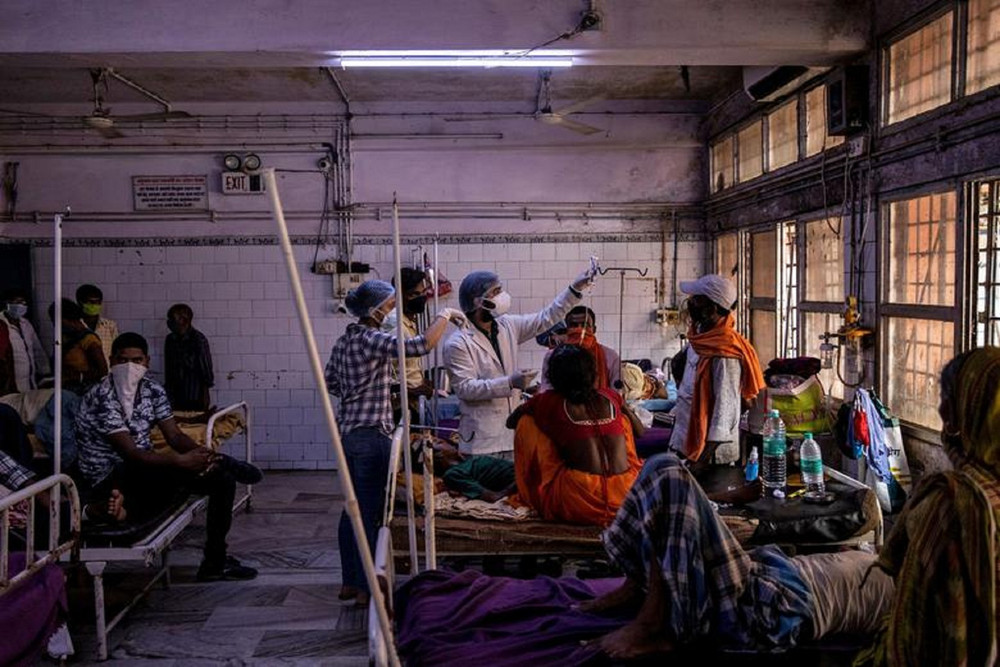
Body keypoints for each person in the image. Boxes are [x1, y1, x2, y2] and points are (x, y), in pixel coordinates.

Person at [581, 453, 895, 659]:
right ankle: (637, 585)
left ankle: (652, 624)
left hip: (768, 605)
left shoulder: (909, 595)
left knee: (670, 474)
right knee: (660, 467)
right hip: (765, 574)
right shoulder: (885, 559)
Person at [75, 332, 262, 581]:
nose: (130, 367)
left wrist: (199, 454)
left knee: (222, 481)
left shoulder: (152, 390)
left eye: (137, 360)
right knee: (195, 473)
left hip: (142, 470)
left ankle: (214, 561)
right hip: (109, 476)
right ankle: (221, 463)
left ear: (147, 362)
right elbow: (130, 454)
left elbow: (174, 435)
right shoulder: (102, 395)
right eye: (122, 360)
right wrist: (179, 461)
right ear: (111, 361)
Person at [856, 347, 1000, 667]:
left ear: (963, 413)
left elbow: (913, 626)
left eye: (947, 398)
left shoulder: (953, 504)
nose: (940, 408)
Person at [325, 279, 465, 606]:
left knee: (352, 508)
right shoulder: (372, 338)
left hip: (348, 433)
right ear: (374, 310)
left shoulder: (344, 342)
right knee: (373, 512)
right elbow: (421, 346)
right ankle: (366, 589)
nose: (392, 311)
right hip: (374, 434)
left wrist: (371, 388)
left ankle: (349, 581)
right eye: (389, 306)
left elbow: (332, 382)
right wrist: (445, 315)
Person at [443, 266, 596, 459]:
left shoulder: (507, 325)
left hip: (512, 436)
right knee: (488, 480)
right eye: (496, 292)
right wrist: (509, 383)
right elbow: (465, 389)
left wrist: (575, 289)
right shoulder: (457, 343)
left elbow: (546, 318)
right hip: (481, 441)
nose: (502, 296)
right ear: (478, 301)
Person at [506, 344, 643, 525]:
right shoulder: (610, 396)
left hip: (579, 500)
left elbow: (511, 422)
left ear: (554, 377)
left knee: (527, 422)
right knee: (623, 419)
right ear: (593, 374)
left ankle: (529, 488)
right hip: (624, 494)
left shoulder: (547, 401)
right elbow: (640, 431)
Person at [668, 274, 764, 467]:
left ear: (711, 308)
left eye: (696, 300)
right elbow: (683, 369)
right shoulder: (701, 339)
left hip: (710, 457)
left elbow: (724, 414)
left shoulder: (724, 354)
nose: (690, 303)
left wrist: (698, 466)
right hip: (684, 442)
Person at [382, 268, 435, 415]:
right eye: (414, 294)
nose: (421, 298)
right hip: (397, 405)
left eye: (423, 292)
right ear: (399, 295)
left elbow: (407, 363)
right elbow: (385, 369)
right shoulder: (394, 323)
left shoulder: (408, 319)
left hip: (411, 401)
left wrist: (420, 381)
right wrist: (410, 390)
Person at [540, 307, 621, 393]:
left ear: (594, 329)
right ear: (567, 329)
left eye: (585, 325)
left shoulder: (610, 356)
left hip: (599, 401)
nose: (579, 330)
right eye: (574, 325)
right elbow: (547, 392)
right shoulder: (552, 356)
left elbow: (616, 394)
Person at [49, 299, 108, 394]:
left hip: (84, 391)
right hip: (65, 390)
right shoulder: (64, 337)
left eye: (57, 321)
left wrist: (77, 376)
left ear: (68, 319)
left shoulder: (89, 339)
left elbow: (103, 371)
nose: (55, 325)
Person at [430, 438, 516, 503]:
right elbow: (493, 497)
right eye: (440, 442)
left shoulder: (469, 460)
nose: (453, 444)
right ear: (438, 455)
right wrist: (518, 482)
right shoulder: (452, 474)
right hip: (518, 479)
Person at [164, 304, 214, 411]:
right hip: (175, 394)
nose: (168, 323)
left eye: (172, 319)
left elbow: (205, 369)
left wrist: (205, 394)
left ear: (183, 320)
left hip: (194, 395)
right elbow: (168, 368)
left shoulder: (198, 339)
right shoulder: (170, 340)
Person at [0, 288, 50, 392]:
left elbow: (37, 350)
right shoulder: (2, 326)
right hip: (10, 384)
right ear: (7, 304)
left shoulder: (26, 324)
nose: (21, 306)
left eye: (23, 303)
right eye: (17, 302)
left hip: (30, 382)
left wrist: (45, 371)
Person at [76, 284, 119, 365]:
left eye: (97, 302)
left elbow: (116, 352)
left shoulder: (109, 326)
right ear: (80, 302)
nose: (94, 305)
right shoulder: (74, 326)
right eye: (90, 302)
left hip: (105, 371)